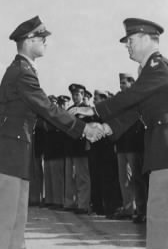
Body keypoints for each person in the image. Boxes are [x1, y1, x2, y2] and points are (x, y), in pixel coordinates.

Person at [70, 18, 168, 249]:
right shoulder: (150, 70)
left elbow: (133, 95)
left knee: (163, 216)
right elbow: (135, 109)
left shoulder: (158, 66)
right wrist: (105, 128)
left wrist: (95, 109)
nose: (127, 45)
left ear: (147, 38)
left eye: (131, 40)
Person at [0, 15, 102, 249]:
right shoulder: (22, 72)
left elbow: (44, 111)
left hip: (15, 151)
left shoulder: (23, 70)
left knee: (15, 222)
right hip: (8, 153)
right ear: (29, 40)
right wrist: (83, 128)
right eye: (42, 38)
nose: (46, 43)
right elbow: (47, 107)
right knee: (1, 222)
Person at [112, 72, 147, 223]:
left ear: (132, 83)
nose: (121, 87)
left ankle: (141, 210)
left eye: (124, 83)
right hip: (122, 145)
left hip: (134, 145)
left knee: (137, 179)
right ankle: (128, 208)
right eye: (120, 84)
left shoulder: (139, 99)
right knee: (123, 179)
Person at [88, 90, 123, 217]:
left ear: (104, 99)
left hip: (108, 152)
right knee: (96, 180)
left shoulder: (110, 114)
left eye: (96, 99)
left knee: (109, 181)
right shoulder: (94, 115)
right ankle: (98, 207)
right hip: (95, 152)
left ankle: (111, 208)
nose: (94, 101)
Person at [65, 83, 92, 214]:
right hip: (70, 146)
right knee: (70, 177)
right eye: (73, 94)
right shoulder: (70, 110)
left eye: (77, 94)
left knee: (82, 177)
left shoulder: (87, 110)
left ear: (82, 95)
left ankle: (83, 204)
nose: (75, 97)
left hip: (82, 147)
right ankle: (72, 202)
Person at [43, 95, 67, 210]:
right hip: (48, 150)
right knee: (49, 176)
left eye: (53, 102)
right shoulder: (46, 116)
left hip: (57, 150)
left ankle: (59, 201)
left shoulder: (58, 116)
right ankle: (50, 199)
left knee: (57, 177)